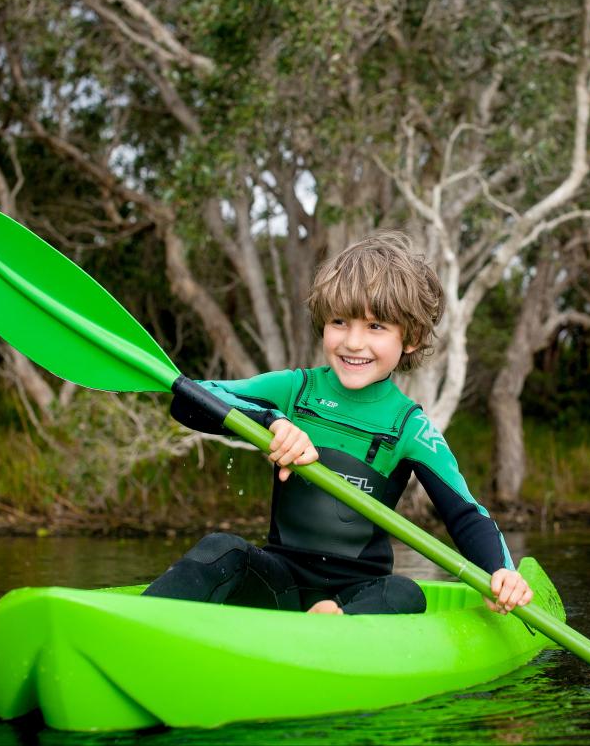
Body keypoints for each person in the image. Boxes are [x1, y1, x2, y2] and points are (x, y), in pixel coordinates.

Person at [143, 231, 532, 616]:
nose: (353, 342)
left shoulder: (409, 427)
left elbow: (464, 514)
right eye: (340, 322)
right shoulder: (295, 389)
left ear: (410, 337)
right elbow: (190, 400)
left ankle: (335, 622)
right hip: (280, 585)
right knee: (221, 547)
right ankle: (139, 623)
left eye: (376, 326)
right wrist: (272, 421)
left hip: (361, 594)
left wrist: (500, 571)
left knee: (406, 592)